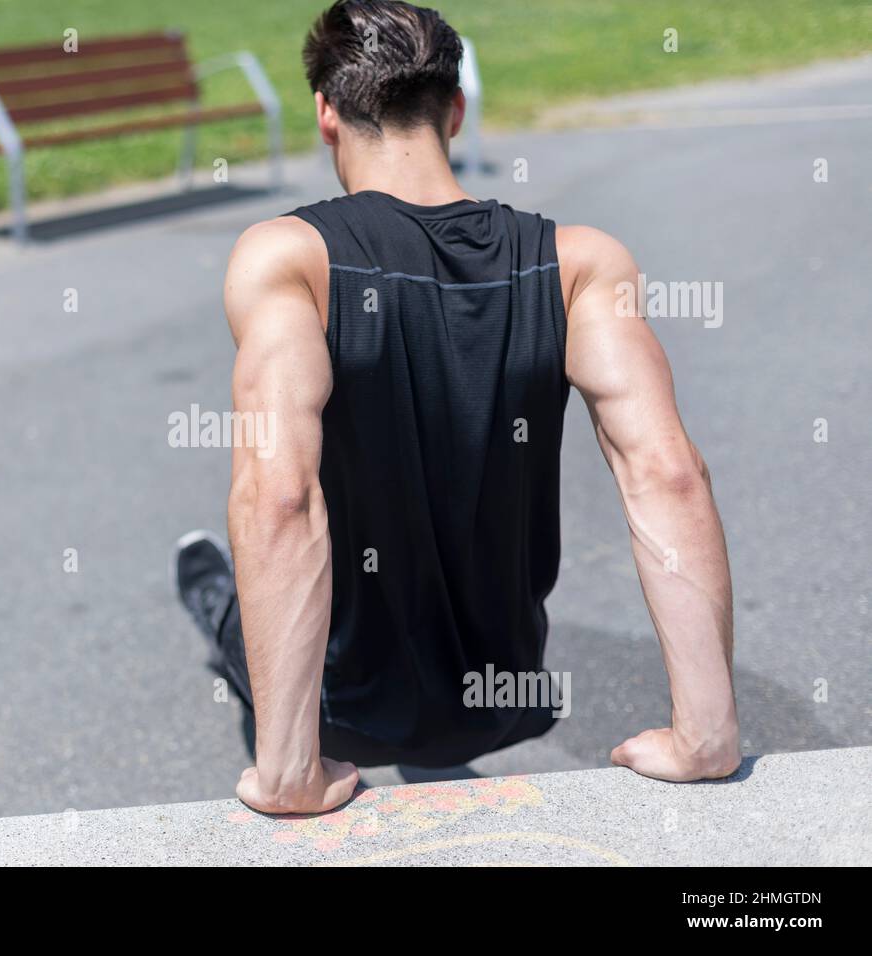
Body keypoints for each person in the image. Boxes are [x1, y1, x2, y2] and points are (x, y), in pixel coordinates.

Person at [175, 0, 740, 815]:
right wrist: (707, 734)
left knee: (225, 597)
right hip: (497, 694)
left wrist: (293, 770)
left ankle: (208, 596)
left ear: (326, 115)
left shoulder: (291, 259)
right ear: (456, 109)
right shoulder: (579, 262)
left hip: (343, 710)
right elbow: (670, 474)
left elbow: (281, 497)